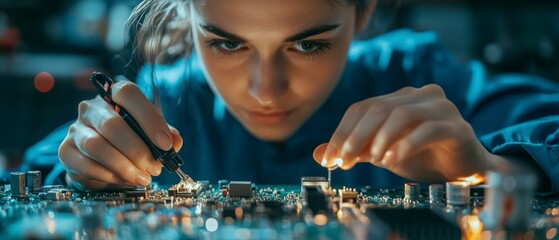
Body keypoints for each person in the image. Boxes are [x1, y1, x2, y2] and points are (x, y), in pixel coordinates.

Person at [23, 0, 559, 194]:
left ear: (364, 12)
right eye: (227, 43)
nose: (265, 90)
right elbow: (29, 179)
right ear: (187, 15)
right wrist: (78, 176)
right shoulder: (163, 101)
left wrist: (492, 168)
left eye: (308, 44)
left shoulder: (414, 73)